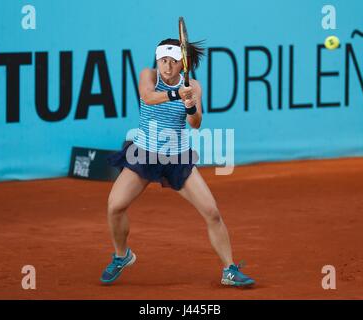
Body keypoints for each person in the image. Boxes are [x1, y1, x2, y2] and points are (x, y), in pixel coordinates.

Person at [100, 38, 255, 287]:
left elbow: (196, 123)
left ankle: (229, 270)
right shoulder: (148, 75)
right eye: (163, 61)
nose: (167, 67)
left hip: (178, 158)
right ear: (157, 60)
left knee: (212, 212)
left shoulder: (193, 85)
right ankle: (122, 256)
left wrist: (190, 106)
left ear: (183, 64)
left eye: (173, 62)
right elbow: (148, 97)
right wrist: (175, 94)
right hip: (144, 154)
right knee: (114, 206)